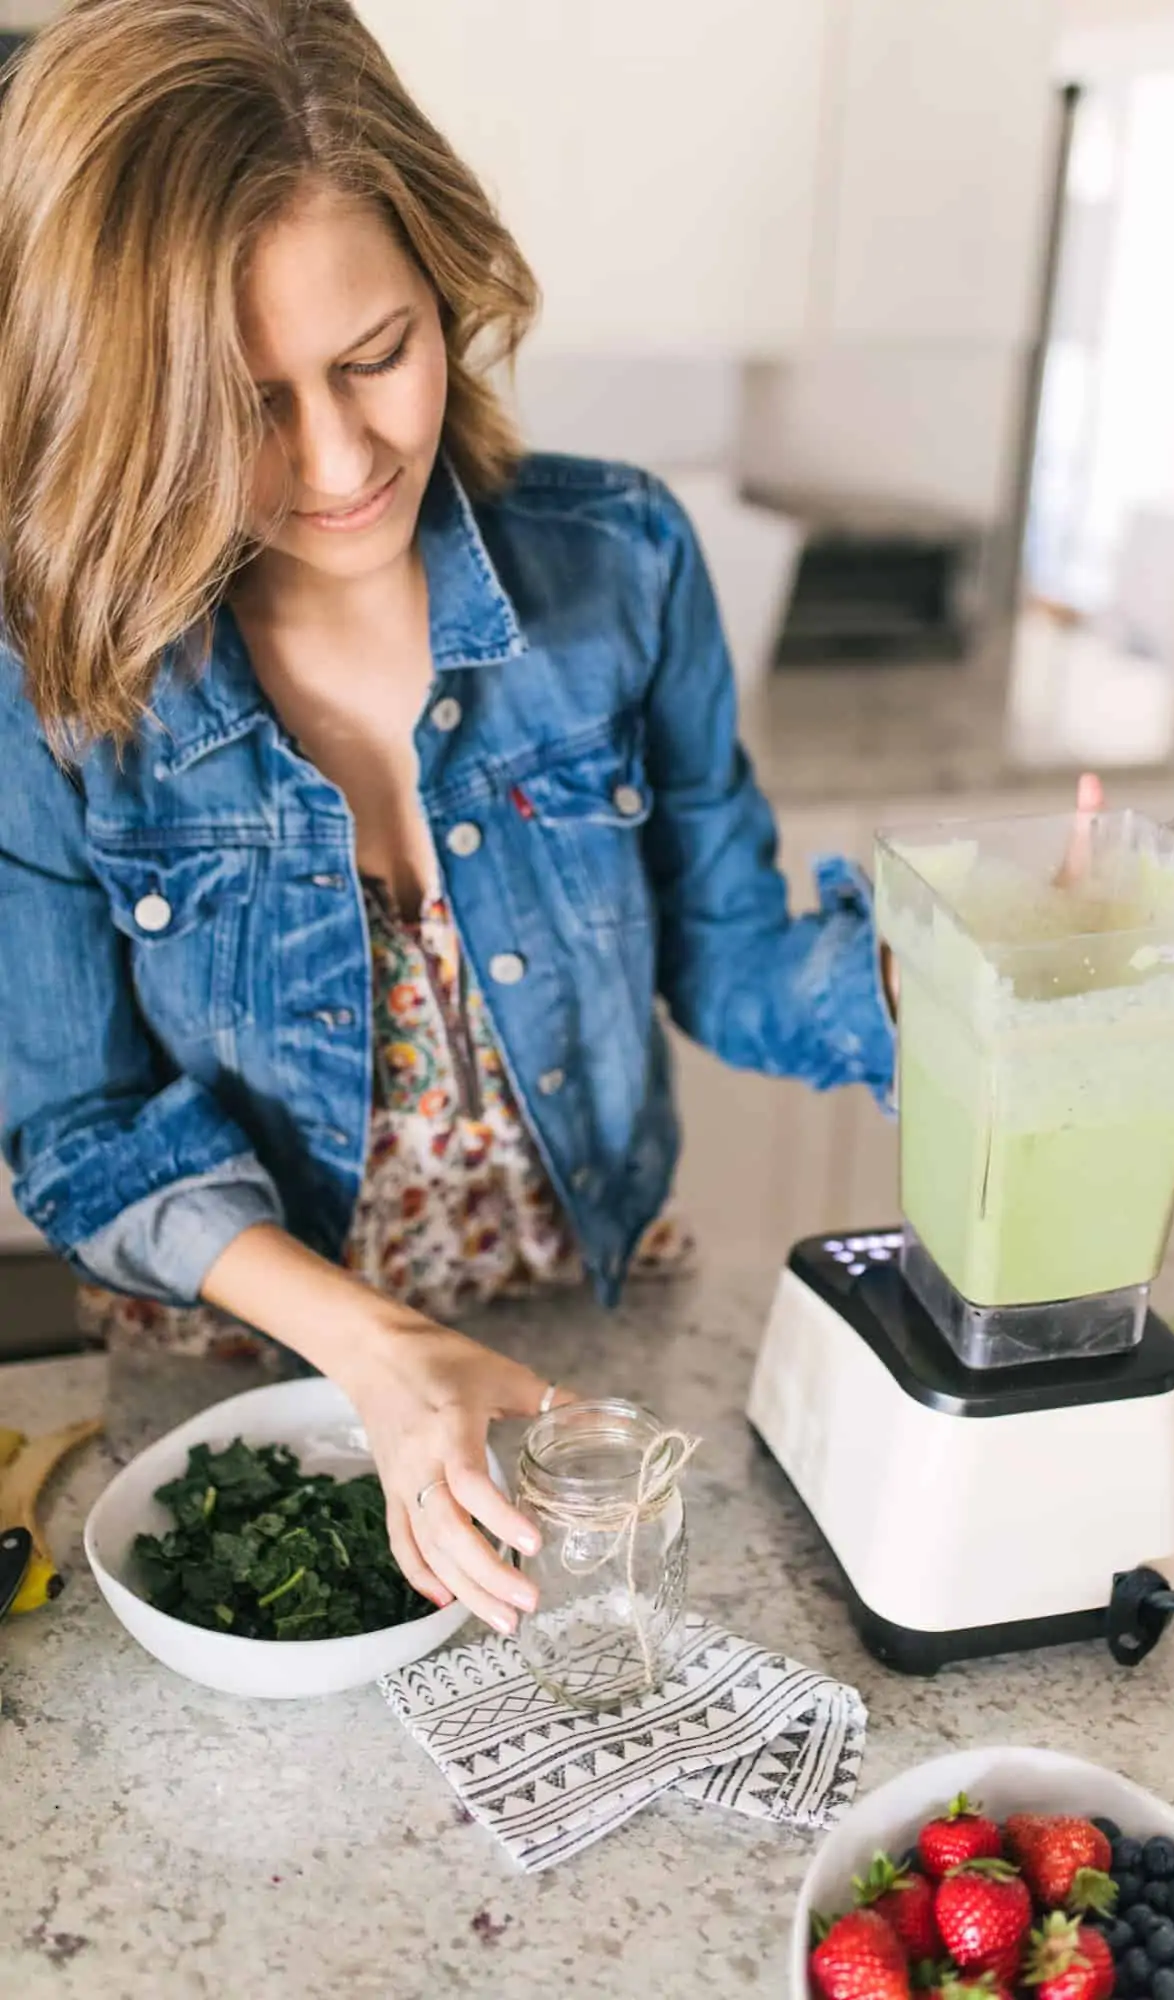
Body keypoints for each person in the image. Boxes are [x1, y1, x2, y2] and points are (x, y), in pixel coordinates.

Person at [0, 0, 1093, 1634]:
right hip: (247, 1381)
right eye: (247, 405)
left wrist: (968, 987)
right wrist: (377, 1351)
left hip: (586, 1349)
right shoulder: (58, 678)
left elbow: (727, 958)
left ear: (443, 279)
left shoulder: (619, 565)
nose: (343, 454)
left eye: (377, 355)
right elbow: (80, 1133)